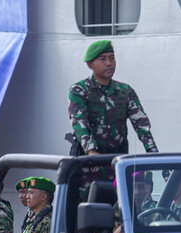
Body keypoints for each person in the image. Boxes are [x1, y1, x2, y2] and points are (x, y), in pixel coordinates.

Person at [68, 40, 159, 181]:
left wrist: (152, 152)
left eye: (112, 58)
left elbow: (141, 124)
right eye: (102, 59)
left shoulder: (125, 91)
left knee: (119, 202)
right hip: (89, 165)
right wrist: (92, 152)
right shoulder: (79, 90)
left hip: (117, 164)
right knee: (87, 202)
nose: (109, 63)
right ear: (90, 64)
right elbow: (80, 123)